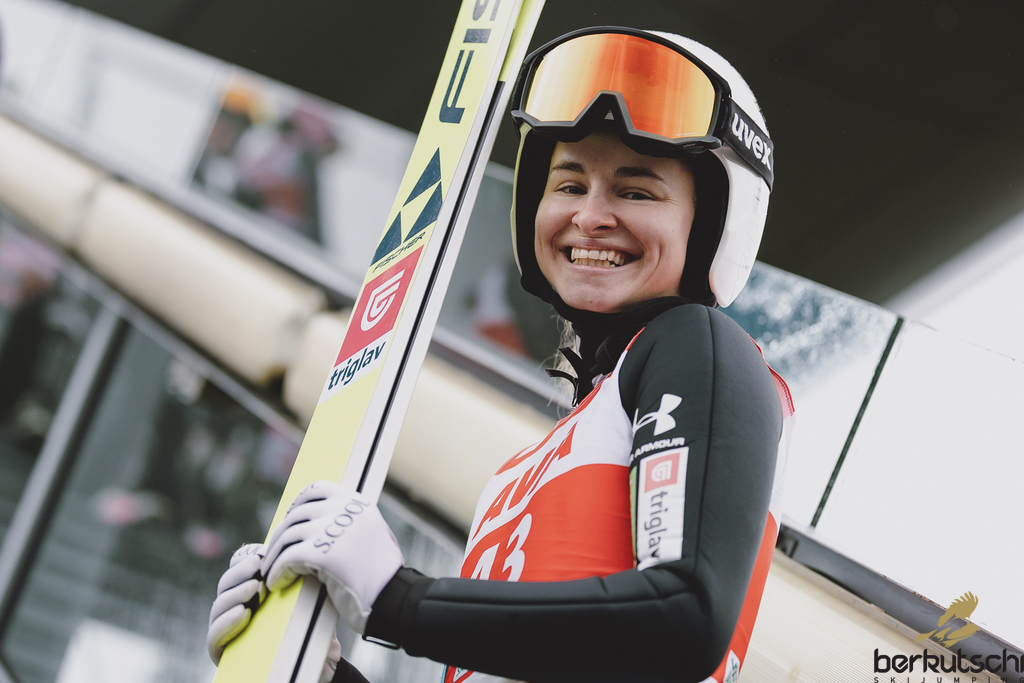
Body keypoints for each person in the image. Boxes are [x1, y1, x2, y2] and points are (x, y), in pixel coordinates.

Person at [207, 26, 793, 683]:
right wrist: (325, 674)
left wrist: (399, 600)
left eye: (635, 191)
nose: (590, 216)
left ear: (715, 223)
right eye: (569, 185)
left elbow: (685, 615)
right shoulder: (528, 469)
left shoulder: (699, 344)